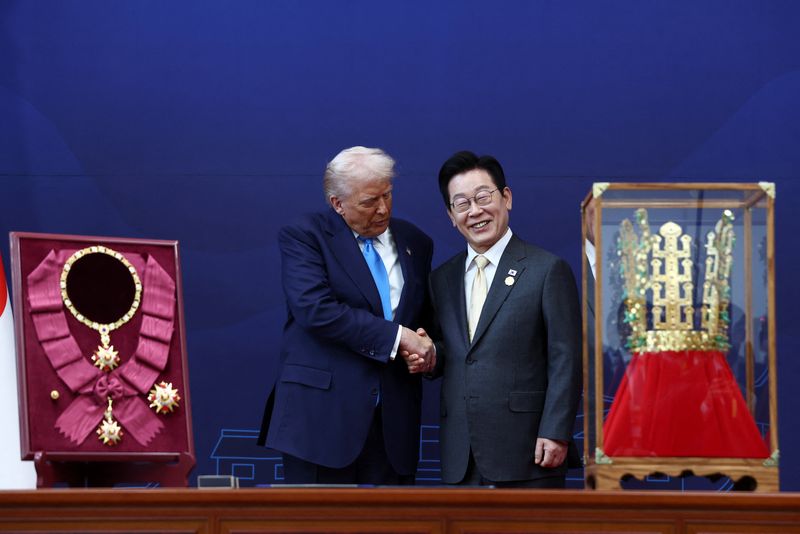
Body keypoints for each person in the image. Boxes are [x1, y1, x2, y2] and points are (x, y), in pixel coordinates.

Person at [258, 146, 435, 485]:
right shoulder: (305, 236)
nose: (383, 209)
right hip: (320, 423)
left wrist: (427, 351)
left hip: (392, 427)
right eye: (369, 201)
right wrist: (400, 338)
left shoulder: (417, 242)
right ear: (338, 203)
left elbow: (425, 320)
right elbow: (316, 310)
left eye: (388, 195)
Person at [428, 150, 581, 488]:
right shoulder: (442, 279)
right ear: (451, 216)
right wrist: (427, 355)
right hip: (462, 457)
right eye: (462, 204)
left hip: (529, 454)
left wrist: (556, 432)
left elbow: (566, 358)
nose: (476, 211)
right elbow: (453, 353)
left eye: (484, 197)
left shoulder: (546, 270)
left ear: (506, 197)